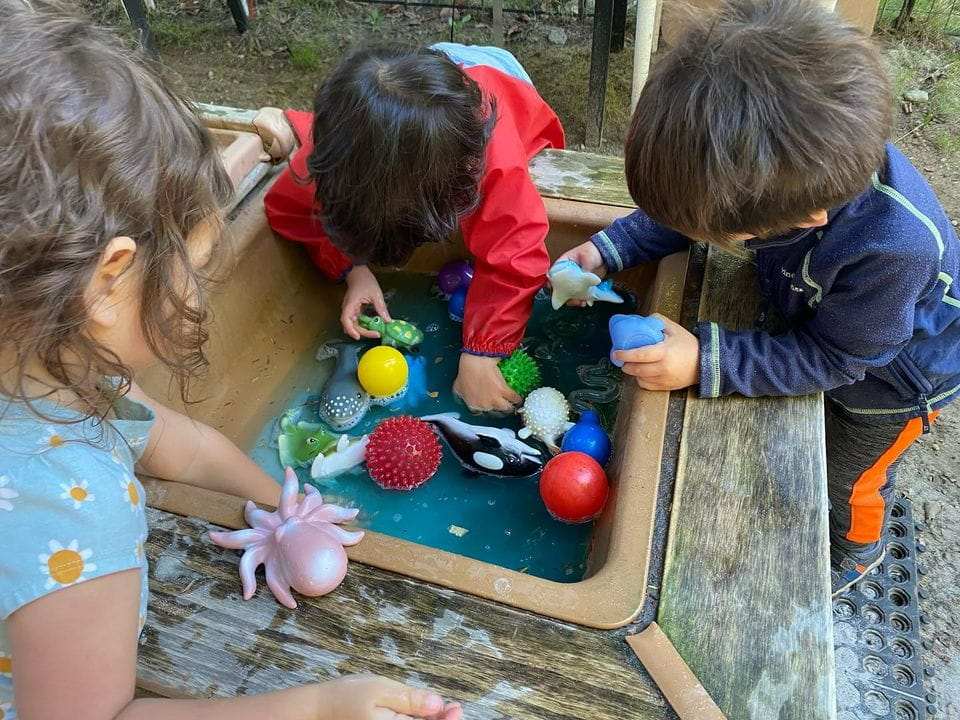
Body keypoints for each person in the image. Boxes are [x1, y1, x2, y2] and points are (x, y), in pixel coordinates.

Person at [0, 3, 462, 718]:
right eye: (200, 260)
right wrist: (312, 711)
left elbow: (179, 446)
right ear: (111, 279)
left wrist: (286, 507)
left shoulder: (45, 363)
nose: (201, 288)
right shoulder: (70, 507)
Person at [560, 0, 960, 596]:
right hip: (825, 314)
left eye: (714, 233)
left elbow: (835, 359)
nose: (697, 232)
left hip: (893, 379)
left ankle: (856, 549)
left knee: (850, 473)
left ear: (805, 218)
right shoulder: (775, 177)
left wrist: (706, 360)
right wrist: (606, 250)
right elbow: (689, 213)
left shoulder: (892, 248)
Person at [263, 43, 565, 412]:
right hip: (409, 88)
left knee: (494, 198)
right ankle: (290, 125)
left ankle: (286, 125)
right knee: (390, 127)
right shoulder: (340, 155)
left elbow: (517, 252)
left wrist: (482, 354)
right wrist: (354, 269)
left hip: (498, 77)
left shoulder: (489, 158)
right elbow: (289, 207)